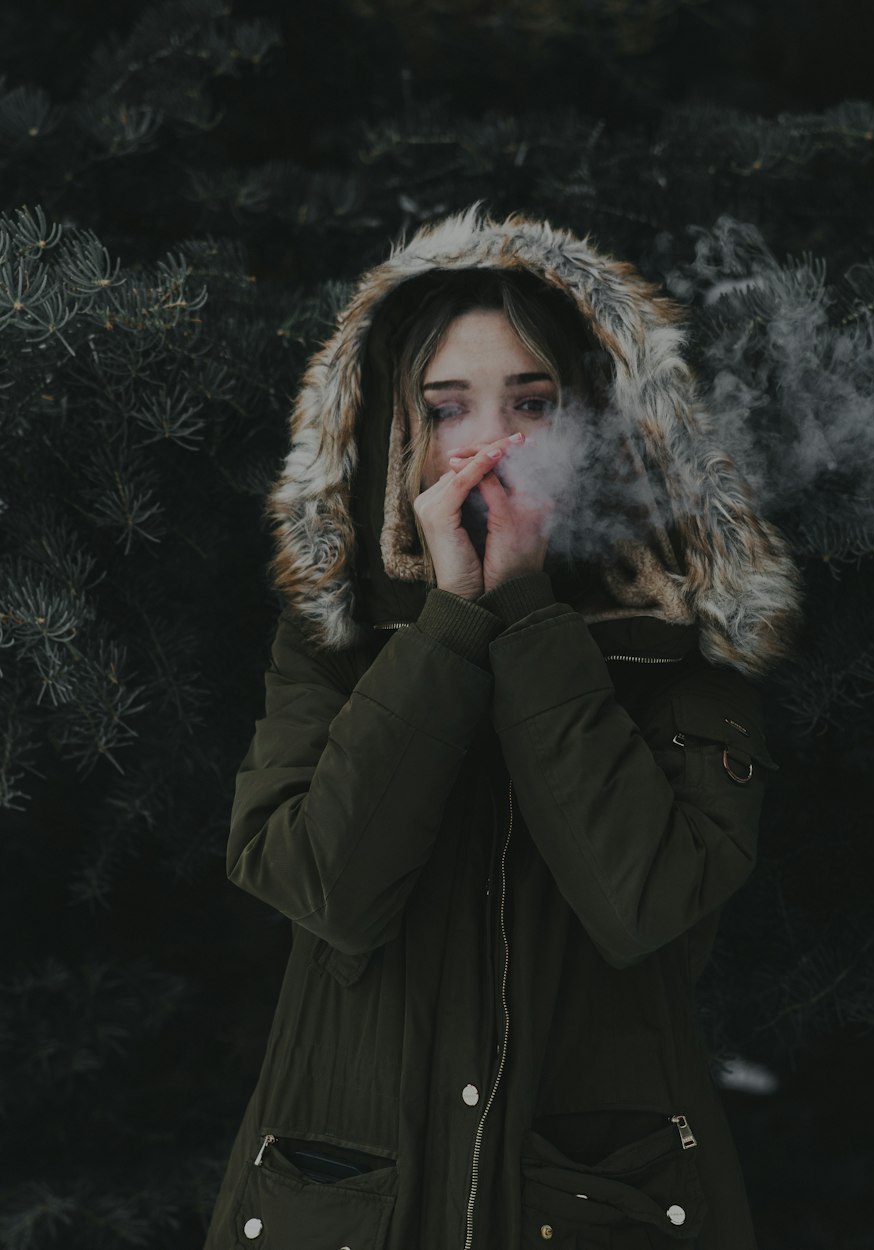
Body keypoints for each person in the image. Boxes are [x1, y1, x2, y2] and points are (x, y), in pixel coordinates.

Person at [202, 201, 803, 1250]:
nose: (487, 443)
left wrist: (525, 615)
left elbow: (646, 899)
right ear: (396, 429)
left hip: (596, 1209)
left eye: (532, 402)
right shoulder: (333, 639)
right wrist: (447, 628)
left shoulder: (681, 650)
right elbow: (323, 886)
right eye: (446, 408)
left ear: (600, 420)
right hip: (346, 1204)